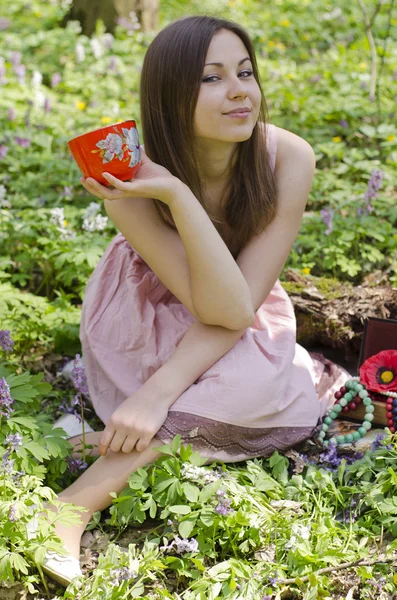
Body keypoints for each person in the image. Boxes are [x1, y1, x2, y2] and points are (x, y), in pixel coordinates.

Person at [44, 14, 349, 585]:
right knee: (251, 393)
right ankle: (68, 511)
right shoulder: (128, 181)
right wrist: (172, 194)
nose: (239, 91)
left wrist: (156, 397)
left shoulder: (289, 158)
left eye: (246, 72)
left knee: (259, 385)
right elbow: (201, 305)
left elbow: (235, 308)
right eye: (211, 78)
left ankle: (82, 471)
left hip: (240, 304)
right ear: (169, 96)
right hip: (147, 313)